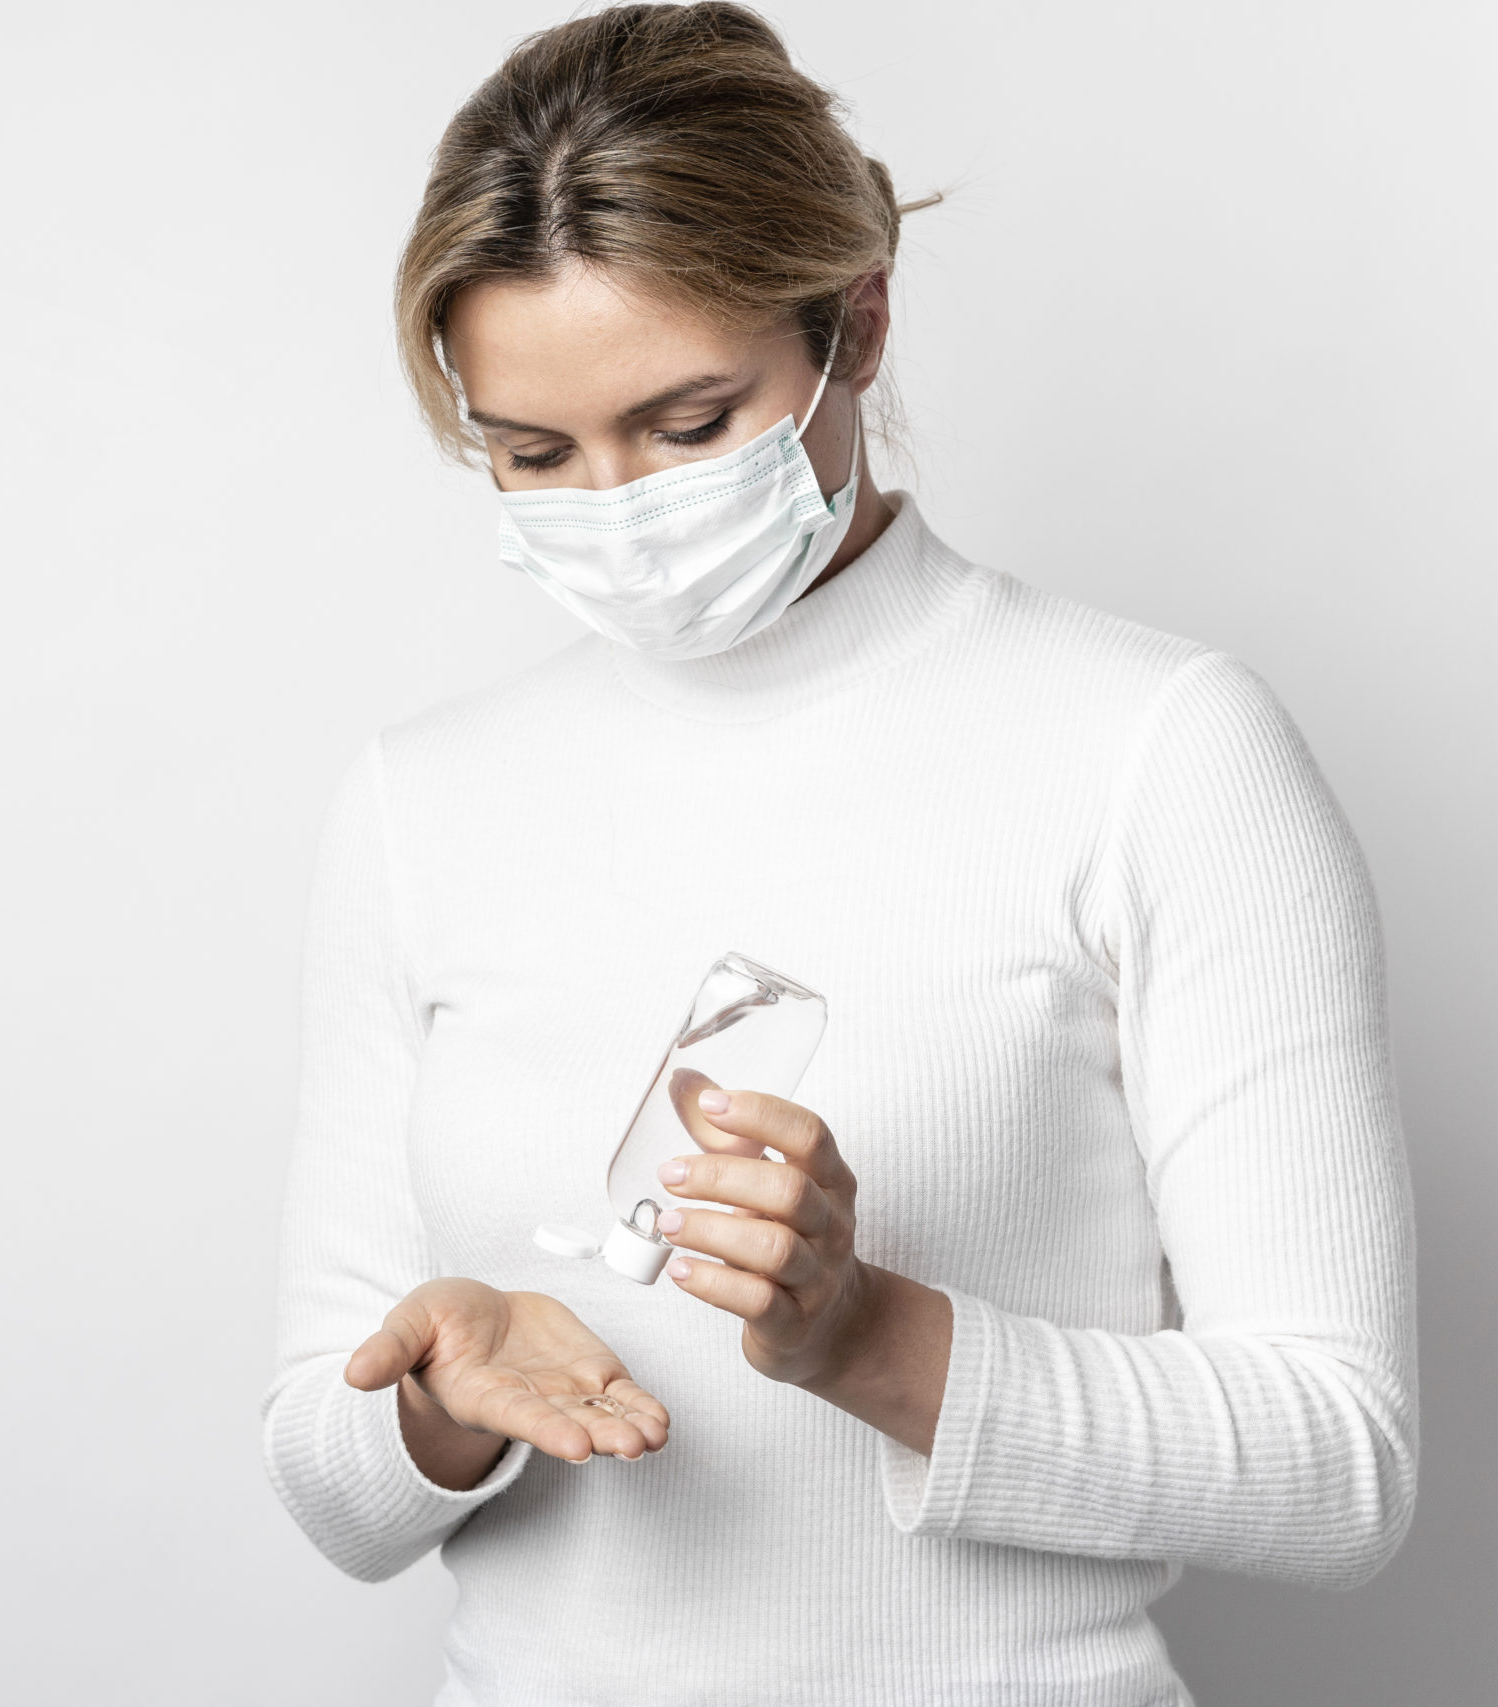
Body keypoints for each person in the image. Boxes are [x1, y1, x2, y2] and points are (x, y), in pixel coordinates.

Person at [258, 6, 1417, 1702]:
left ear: (857, 321)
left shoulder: (1159, 751)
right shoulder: (420, 801)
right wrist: (437, 1405)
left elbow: (1345, 1464)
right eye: (533, 454)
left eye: (689, 420)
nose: (618, 506)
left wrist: (872, 1339)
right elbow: (327, 1468)